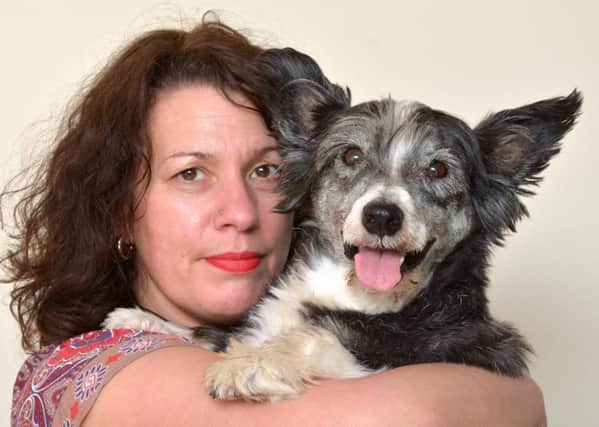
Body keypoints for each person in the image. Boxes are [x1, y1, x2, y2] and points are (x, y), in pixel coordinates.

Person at [3, 15, 546, 427]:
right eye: (191, 173)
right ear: (119, 208)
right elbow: (404, 417)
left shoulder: (271, 333)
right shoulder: (87, 368)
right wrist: (518, 397)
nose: (241, 213)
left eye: (265, 170)